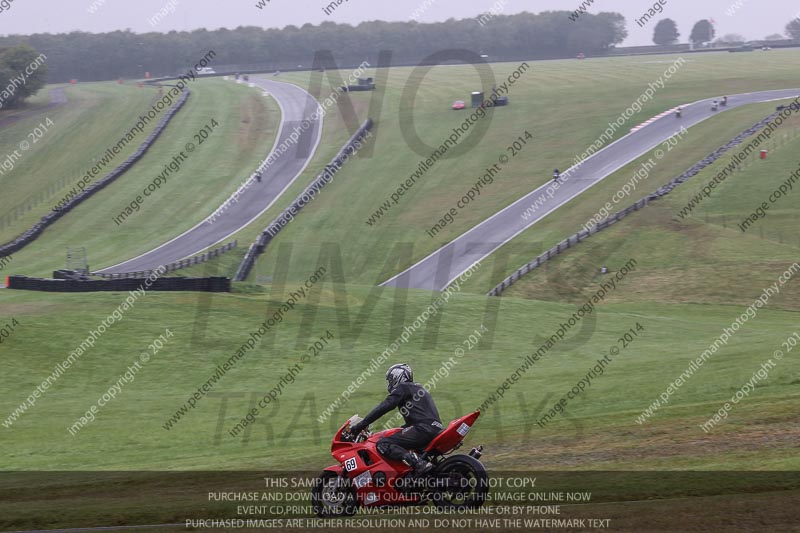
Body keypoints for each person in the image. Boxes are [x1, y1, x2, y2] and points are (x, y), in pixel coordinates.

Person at [349, 363, 443, 476]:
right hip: (434, 428)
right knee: (397, 435)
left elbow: (384, 406)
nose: (389, 382)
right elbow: (419, 417)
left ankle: (418, 464)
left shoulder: (403, 387)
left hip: (422, 429)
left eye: (391, 379)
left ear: (397, 377)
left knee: (383, 444)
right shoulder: (418, 388)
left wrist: (362, 424)